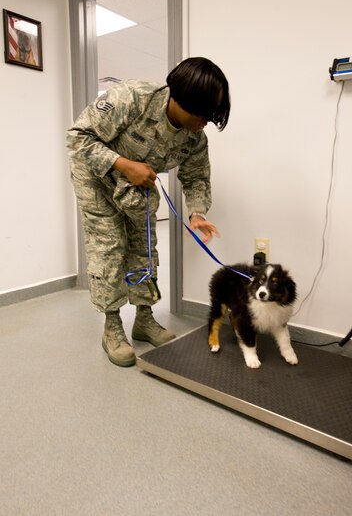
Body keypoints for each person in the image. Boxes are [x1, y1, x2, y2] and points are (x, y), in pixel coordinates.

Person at [66, 57, 231, 367]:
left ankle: (144, 318)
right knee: (110, 245)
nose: (206, 121)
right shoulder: (133, 98)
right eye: (204, 113)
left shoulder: (195, 136)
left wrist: (196, 213)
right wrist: (125, 165)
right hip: (96, 178)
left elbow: (196, 177)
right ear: (181, 99)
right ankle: (112, 326)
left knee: (144, 244)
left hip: (135, 185)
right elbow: (77, 138)